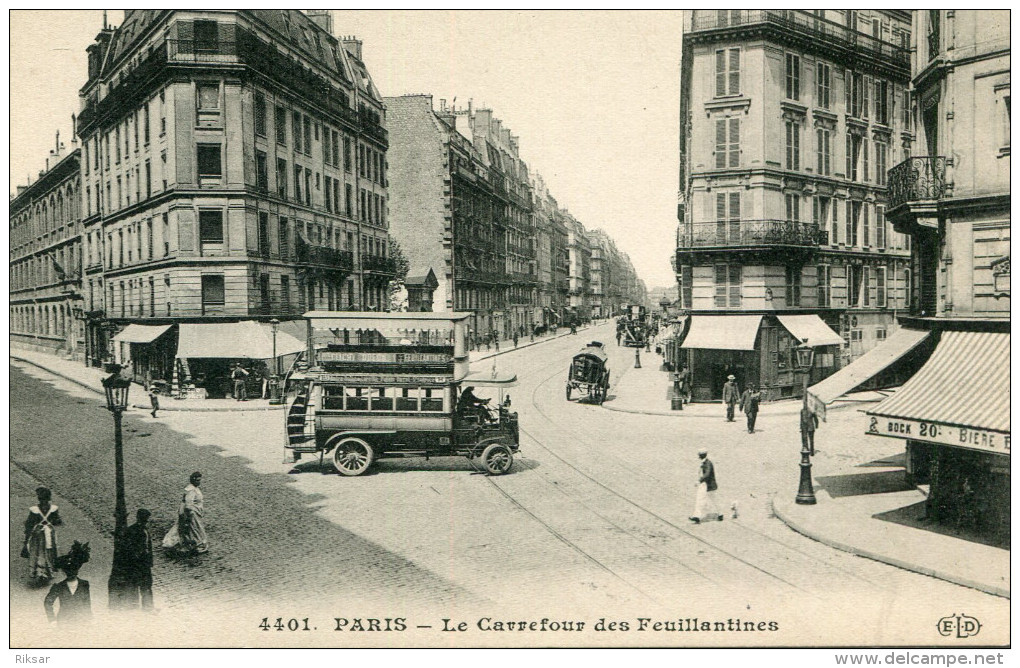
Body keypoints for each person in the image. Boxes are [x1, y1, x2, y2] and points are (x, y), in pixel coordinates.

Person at [43, 541, 92, 625]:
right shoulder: (58, 587)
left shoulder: (84, 584)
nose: (72, 573)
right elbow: (48, 602)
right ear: (64, 572)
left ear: (77, 570)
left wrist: (90, 619)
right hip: (64, 622)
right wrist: (52, 620)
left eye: (74, 570)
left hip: (81, 622)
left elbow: (87, 604)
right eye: (68, 571)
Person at [23, 487, 62, 583]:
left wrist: (27, 537)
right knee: (49, 549)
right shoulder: (53, 509)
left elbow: (29, 523)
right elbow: (57, 521)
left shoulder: (34, 510)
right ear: (49, 498)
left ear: (39, 498)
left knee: (38, 551)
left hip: (38, 533)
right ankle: (48, 571)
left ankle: (39, 572)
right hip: (48, 531)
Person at [164, 472, 208, 555]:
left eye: (200, 480)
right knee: (194, 530)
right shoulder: (191, 490)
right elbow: (188, 504)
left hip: (196, 513)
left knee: (195, 530)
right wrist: (189, 516)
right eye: (198, 480)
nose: (199, 482)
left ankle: (195, 545)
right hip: (192, 514)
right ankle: (195, 546)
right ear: (193, 480)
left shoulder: (194, 488)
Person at [122, 509, 154, 610]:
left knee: (147, 586)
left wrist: (149, 561)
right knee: (134, 586)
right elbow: (129, 549)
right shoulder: (131, 530)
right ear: (139, 518)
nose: (147, 521)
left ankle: (148, 607)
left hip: (145, 564)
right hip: (136, 565)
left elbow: (148, 546)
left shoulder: (145, 530)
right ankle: (134, 608)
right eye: (145, 519)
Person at [690, 449, 722, 523]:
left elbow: (707, 474)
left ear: (701, 455)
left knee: (712, 500)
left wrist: (699, 480)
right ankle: (696, 517)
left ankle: (720, 514)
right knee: (701, 499)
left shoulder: (707, 463)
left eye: (699, 455)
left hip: (708, 485)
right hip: (706, 485)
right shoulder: (705, 462)